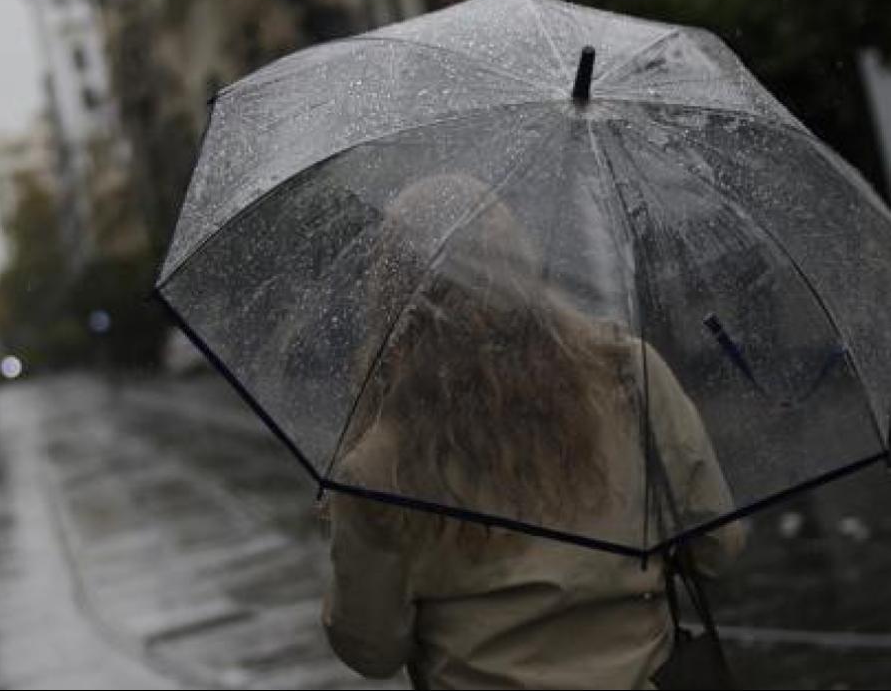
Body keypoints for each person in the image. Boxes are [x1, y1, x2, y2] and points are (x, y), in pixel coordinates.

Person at [319, 173, 745, 689]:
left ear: (392, 292)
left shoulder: (377, 465)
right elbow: (717, 546)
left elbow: (371, 648)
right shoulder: (626, 375)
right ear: (519, 258)